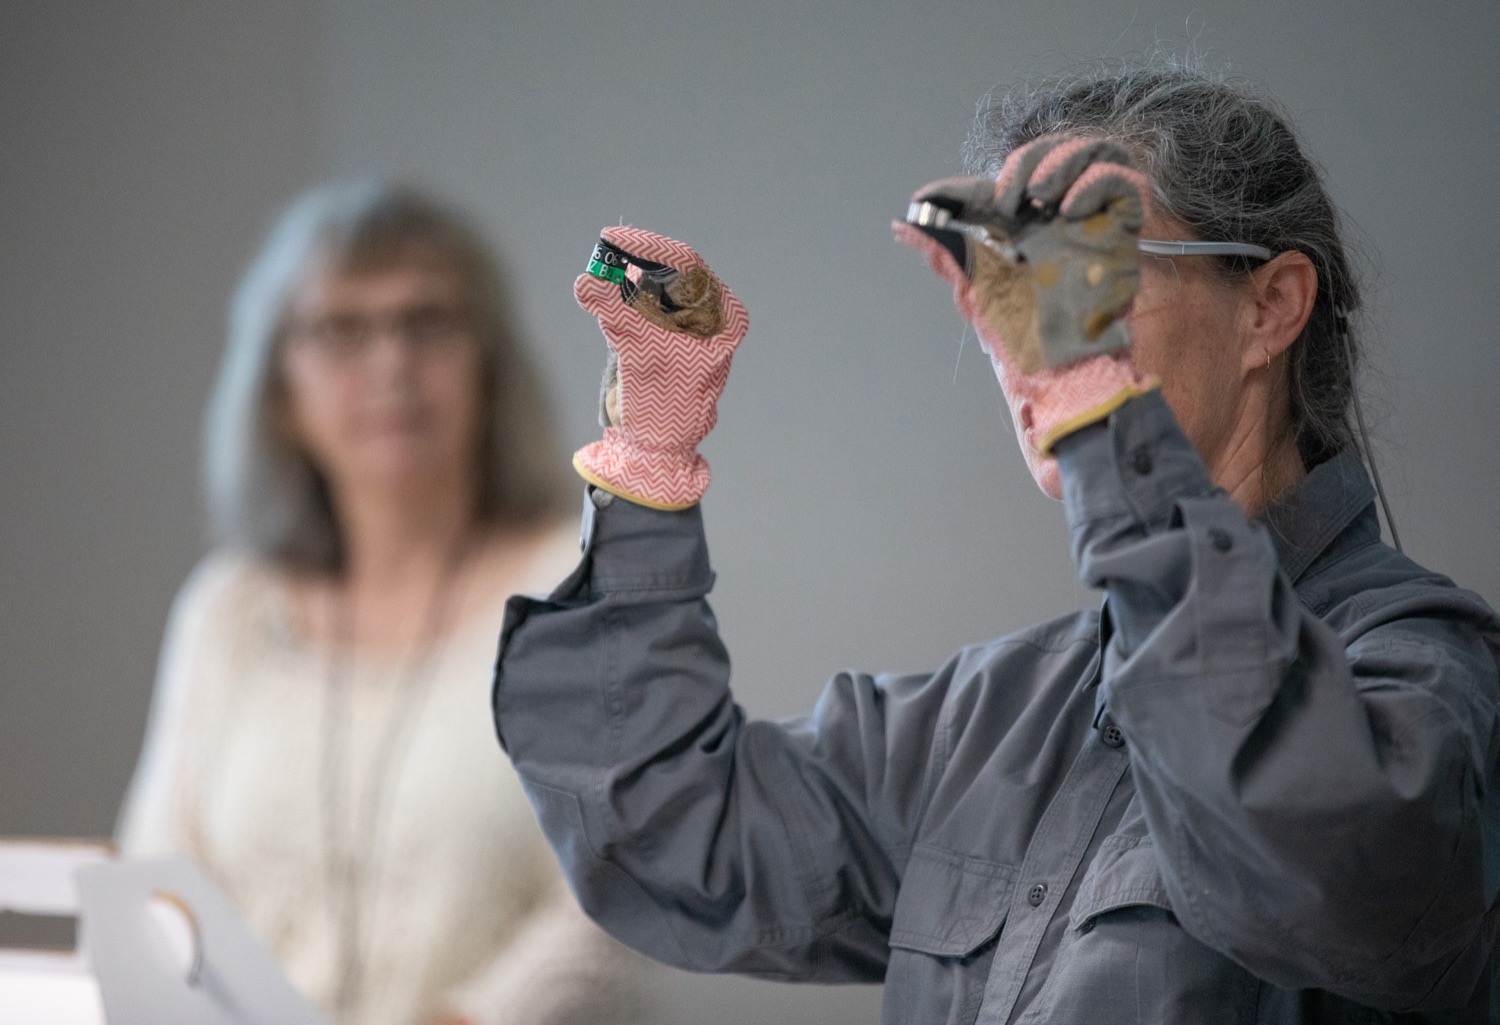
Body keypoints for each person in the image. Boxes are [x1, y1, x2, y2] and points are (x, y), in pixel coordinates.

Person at [490, 62, 1500, 1023]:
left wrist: (1105, 422)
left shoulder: (1424, 669)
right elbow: (665, 828)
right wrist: (649, 448)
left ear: (1271, 306)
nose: (1032, 337)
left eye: (1084, 272)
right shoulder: (989, 718)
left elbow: (1327, 875)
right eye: (1009, 283)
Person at [118, 182, 652, 1025]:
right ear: (280, 391)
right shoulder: (230, 610)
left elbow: (625, 898)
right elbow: (155, 889)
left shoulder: (583, 591)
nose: (391, 364)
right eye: (341, 329)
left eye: (428, 322)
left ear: (489, 367)